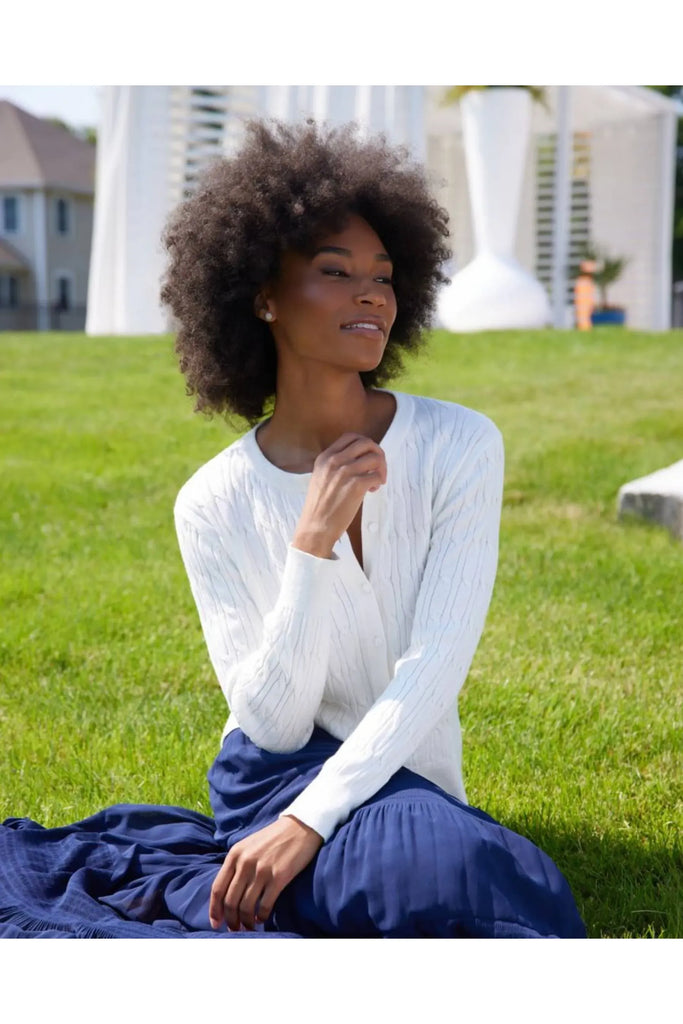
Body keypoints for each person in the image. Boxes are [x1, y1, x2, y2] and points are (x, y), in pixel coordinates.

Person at [0, 119, 585, 938]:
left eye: (383, 277)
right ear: (263, 295)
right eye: (334, 271)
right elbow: (271, 725)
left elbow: (433, 666)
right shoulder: (212, 501)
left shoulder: (459, 444)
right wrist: (310, 544)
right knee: (440, 875)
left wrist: (309, 823)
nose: (370, 295)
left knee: (443, 864)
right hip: (271, 780)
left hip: (402, 776)